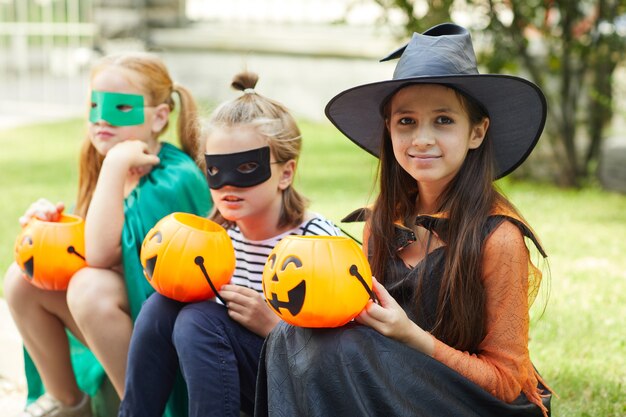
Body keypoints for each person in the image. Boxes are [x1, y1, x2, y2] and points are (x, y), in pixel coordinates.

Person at [255, 23, 553, 417]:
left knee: (347, 348)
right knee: (291, 335)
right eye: (406, 121)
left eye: (443, 121)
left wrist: (411, 336)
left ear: (477, 132)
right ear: (389, 130)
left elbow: (506, 382)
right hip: (394, 385)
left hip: (476, 404)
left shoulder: (497, 238)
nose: (421, 139)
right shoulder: (382, 222)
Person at [118, 70, 341, 417]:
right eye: (216, 170)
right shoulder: (215, 242)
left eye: (247, 167)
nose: (229, 185)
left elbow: (347, 354)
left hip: (304, 392)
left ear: (285, 173)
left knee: (198, 320)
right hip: (238, 384)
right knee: (164, 306)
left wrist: (275, 326)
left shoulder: (319, 242)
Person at [4, 52, 211, 417]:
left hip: (172, 339)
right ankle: (69, 404)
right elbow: (99, 248)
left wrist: (114, 166)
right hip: (124, 326)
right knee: (25, 277)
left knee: (89, 287)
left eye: (121, 108)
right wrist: (53, 229)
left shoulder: (171, 179)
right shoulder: (105, 161)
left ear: (159, 117)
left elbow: (100, 257)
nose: (101, 118)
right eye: (94, 105)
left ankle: (143, 411)